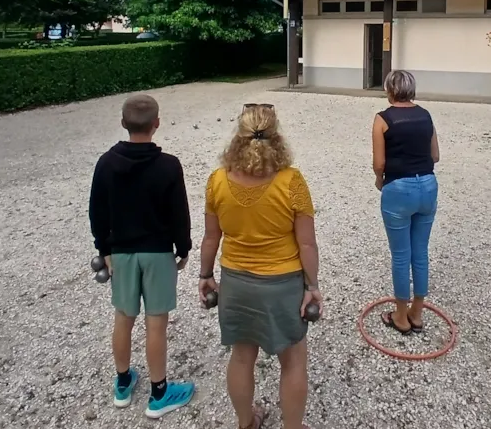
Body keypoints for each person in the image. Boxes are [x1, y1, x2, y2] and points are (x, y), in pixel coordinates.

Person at [199, 103, 321, 429]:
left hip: (236, 283)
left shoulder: (216, 181)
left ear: (238, 135)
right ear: (276, 134)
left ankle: (246, 422)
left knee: (241, 357)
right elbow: (307, 243)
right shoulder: (292, 181)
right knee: (293, 361)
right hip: (282, 284)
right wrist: (312, 287)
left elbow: (211, 238)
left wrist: (206, 275)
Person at [88, 93, 196, 417]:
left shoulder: (106, 163)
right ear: (156, 124)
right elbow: (180, 213)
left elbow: (97, 211)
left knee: (123, 317)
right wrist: (183, 248)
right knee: (156, 324)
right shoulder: (168, 166)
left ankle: (123, 383)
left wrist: (103, 248)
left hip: (121, 254)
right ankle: (159, 393)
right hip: (158, 253)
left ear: (123, 124)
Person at [371, 70, 441, 335]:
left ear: (389, 90)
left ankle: (400, 316)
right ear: (412, 89)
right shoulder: (426, 115)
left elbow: (379, 163)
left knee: (401, 255)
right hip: (428, 186)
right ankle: (418, 312)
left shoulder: (383, 119)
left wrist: (380, 179)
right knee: (420, 251)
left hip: (398, 188)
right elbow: (435, 156)